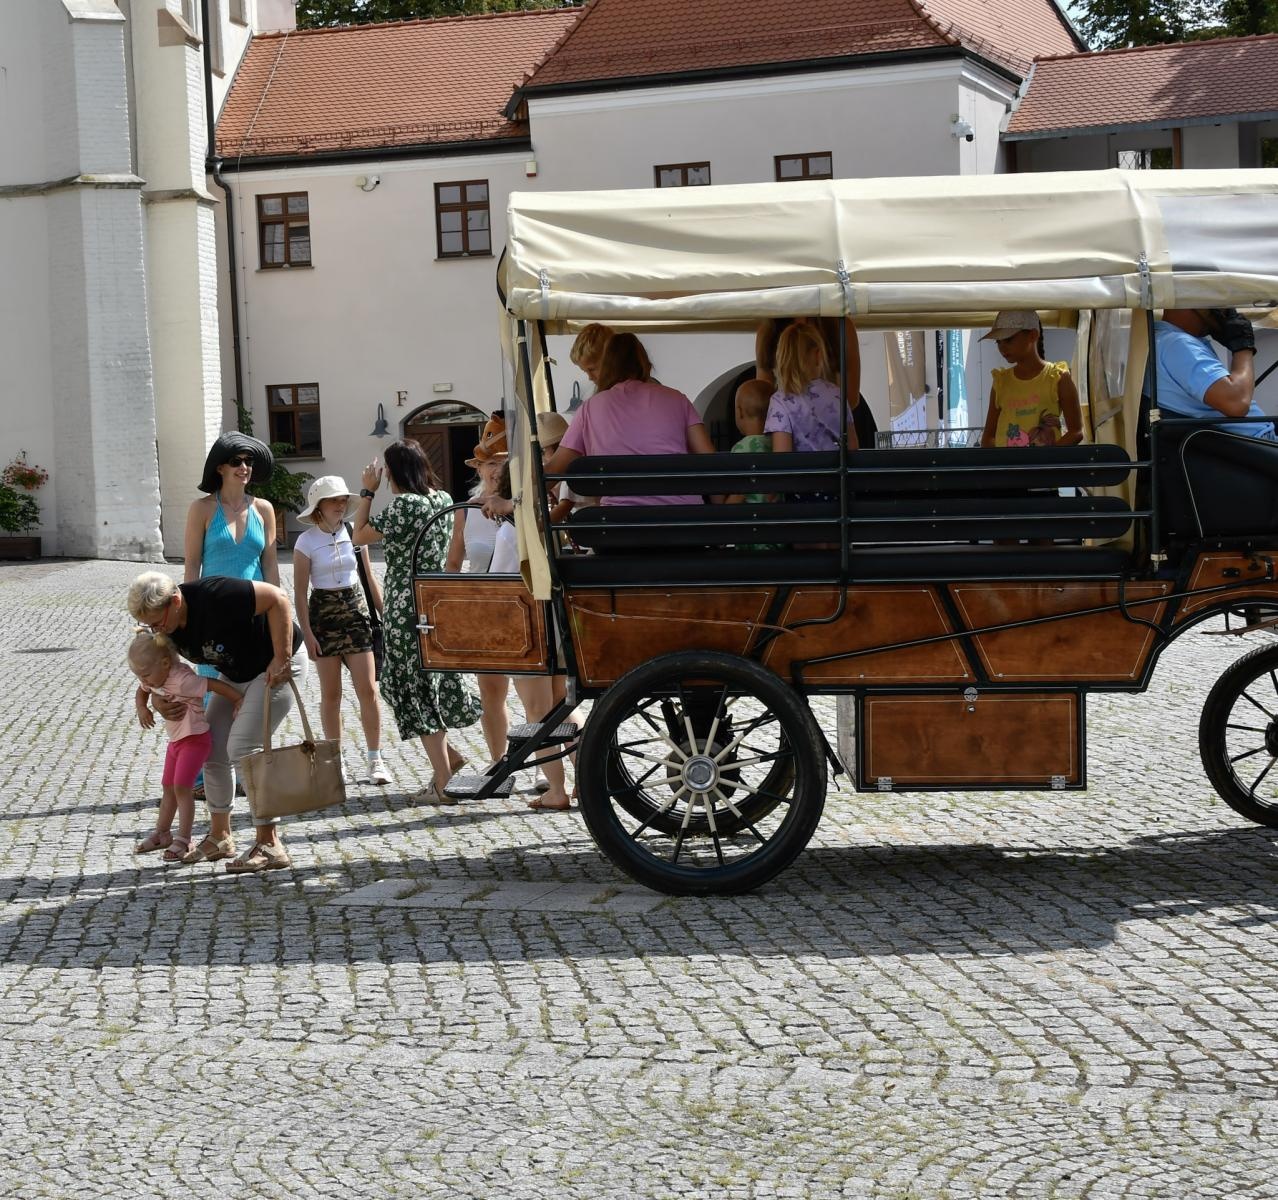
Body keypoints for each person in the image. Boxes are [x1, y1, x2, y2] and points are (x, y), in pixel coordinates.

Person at [126, 571, 307, 872]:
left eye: (157, 621)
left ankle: (269, 843)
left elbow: (279, 599)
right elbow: (161, 671)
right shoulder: (164, 626)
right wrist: (156, 700)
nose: (156, 630)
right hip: (235, 675)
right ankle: (221, 836)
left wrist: (282, 656)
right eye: (149, 624)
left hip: (275, 665)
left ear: (175, 601)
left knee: (243, 747)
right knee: (212, 749)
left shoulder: (217, 595)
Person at [353, 440, 481, 805]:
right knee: (428, 684)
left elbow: (358, 535)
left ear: (393, 472)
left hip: (405, 607)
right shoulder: (440, 498)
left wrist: (367, 491)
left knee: (411, 689)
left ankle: (442, 782)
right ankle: (449, 759)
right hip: (432, 602)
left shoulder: (404, 505)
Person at [183, 432, 277, 809]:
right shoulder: (202, 509)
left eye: (249, 462)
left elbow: (270, 567)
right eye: (237, 461)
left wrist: (277, 614)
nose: (244, 468)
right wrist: (190, 619)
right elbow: (191, 565)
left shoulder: (264, 509)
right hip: (212, 618)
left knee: (251, 696)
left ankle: (241, 771)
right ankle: (205, 776)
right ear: (220, 467)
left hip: (252, 617)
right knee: (210, 697)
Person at [293, 475, 391, 787]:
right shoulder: (305, 541)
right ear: (318, 506)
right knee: (331, 695)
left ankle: (375, 758)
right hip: (323, 616)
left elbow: (369, 577)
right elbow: (298, 593)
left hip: (356, 612)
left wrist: (385, 615)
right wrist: (307, 633)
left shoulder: (354, 533)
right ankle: (335, 760)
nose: (341, 504)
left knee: (369, 690)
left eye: (342, 499)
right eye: (333, 499)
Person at [545, 333, 715, 506]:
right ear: (645, 363)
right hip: (684, 521)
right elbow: (711, 464)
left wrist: (519, 500)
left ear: (608, 365)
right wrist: (724, 514)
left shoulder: (588, 409)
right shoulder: (678, 399)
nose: (590, 377)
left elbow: (552, 471)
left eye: (592, 369)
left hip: (620, 526)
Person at [488, 463, 572, 812]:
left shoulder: (511, 531)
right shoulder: (550, 523)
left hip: (528, 627)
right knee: (560, 708)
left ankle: (556, 789)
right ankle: (579, 780)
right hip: (554, 622)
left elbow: (499, 585)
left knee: (538, 712)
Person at [129, 630, 243, 863]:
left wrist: (238, 700)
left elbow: (213, 684)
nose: (144, 680)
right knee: (168, 786)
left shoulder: (183, 680)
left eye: (146, 674)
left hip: (195, 740)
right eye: (139, 675)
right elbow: (142, 691)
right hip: (176, 742)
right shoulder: (153, 676)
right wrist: (143, 708)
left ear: (164, 663)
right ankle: (162, 833)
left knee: (182, 788)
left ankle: (184, 838)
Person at [445, 423, 512, 769]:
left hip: (522, 604)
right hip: (484, 610)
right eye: (489, 463)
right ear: (480, 468)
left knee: (545, 698)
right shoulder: (466, 510)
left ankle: (557, 770)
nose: (495, 469)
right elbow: (453, 564)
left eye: (503, 461)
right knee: (491, 693)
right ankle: (500, 764)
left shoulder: (524, 505)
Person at [1152, 308, 1274, 439]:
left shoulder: (1161, 339)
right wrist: (1243, 347)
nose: (1227, 310)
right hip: (1254, 443)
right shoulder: (1178, 344)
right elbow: (1237, 403)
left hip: (1245, 441)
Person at [978, 310, 1083, 448]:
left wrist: (1047, 461)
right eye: (998, 342)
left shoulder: (1058, 377)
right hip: (1009, 469)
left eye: (1008, 339)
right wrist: (1004, 463)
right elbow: (988, 438)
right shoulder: (1000, 381)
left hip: (1046, 468)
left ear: (1033, 335)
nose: (1002, 347)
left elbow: (1076, 432)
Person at [765, 322, 860, 453]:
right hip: (836, 472)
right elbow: (853, 447)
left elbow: (782, 455)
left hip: (802, 472)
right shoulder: (837, 394)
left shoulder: (779, 401)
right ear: (818, 355)